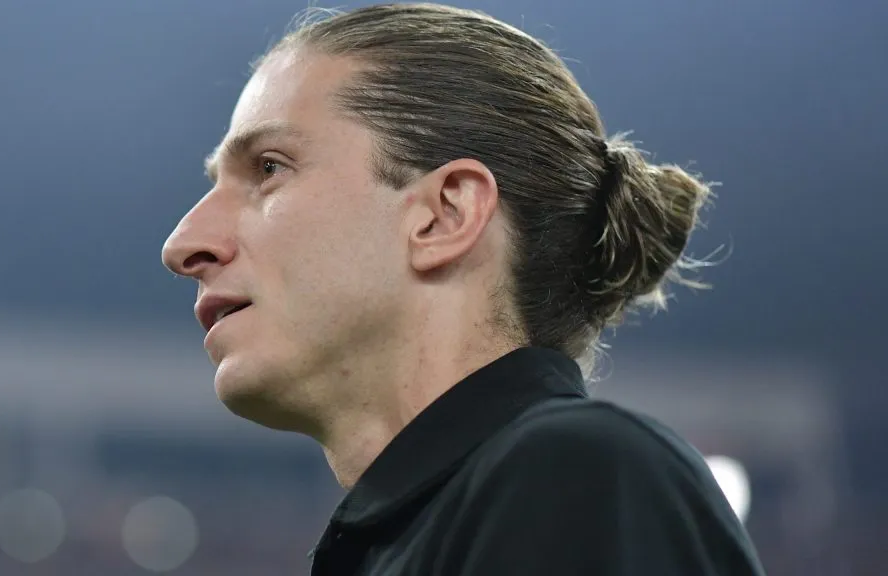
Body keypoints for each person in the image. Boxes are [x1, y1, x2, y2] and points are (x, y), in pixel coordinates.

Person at [161, 3, 766, 574]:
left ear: (446, 215)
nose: (183, 243)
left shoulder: (575, 474)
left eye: (269, 168)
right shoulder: (443, 525)